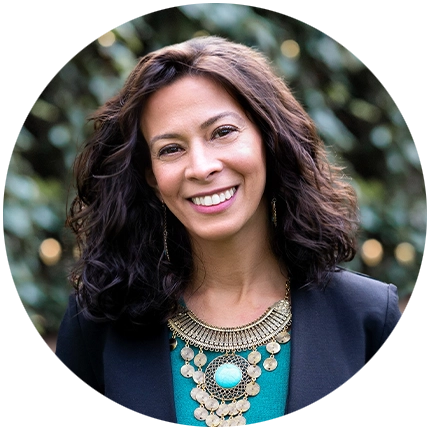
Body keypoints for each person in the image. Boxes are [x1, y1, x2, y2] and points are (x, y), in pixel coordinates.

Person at [55, 36, 423, 427]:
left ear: (270, 141)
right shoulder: (95, 323)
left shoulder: (368, 316)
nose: (201, 166)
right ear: (151, 179)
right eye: (170, 149)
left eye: (222, 132)